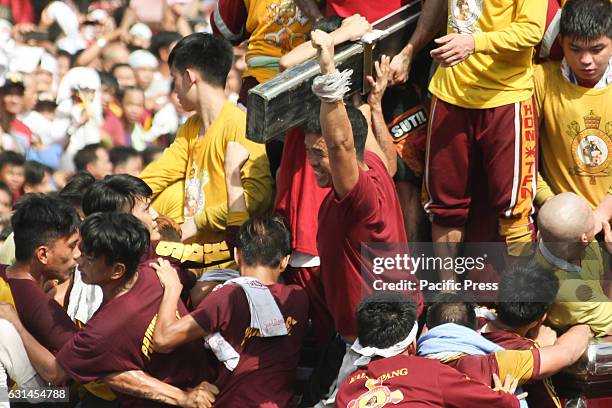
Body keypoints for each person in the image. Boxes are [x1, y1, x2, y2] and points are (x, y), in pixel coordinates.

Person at [0, 212, 219, 408]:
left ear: (116, 270)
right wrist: (172, 290)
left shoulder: (102, 330)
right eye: (80, 249)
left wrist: (16, 326)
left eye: (89, 256)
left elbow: (54, 373)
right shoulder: (156, 272)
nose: (78, 258)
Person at [407, 0, 547, 280]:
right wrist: (408, 51)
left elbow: (532, 30)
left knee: (514, 209)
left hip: (506, 96)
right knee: (444, 206)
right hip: (450, 94)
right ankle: (448, 294)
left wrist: (473, 43)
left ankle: (520, 306)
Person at [306, 29, 422, 341]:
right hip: (389, 322)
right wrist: (373, 101)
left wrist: (329, 70)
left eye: (319, 153)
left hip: (377, 339)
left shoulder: (360, 197)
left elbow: (342, 142)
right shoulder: (377, 167)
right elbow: (369, 143)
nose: (311, 162)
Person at [139, 32, 273, 246]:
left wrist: (199, 222)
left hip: (226, 260)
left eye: (174, 78)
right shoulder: (191, 126)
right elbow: (160, 173)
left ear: (189, 77)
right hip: (191, 254)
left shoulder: (240, 125)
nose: (174, 90)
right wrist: (129, 201)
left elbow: (258, 196)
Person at [335, 291, 525, 407]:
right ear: (412, 344)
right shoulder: (430, 372)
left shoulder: (347, 387)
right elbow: (499, 404)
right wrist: (507, 397)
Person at [419, 292, 590, 402]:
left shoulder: (409, 366)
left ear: (426, 330)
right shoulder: (493, 366)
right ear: (475, 332)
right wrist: (589, 323)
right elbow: (566, 353)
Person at [535, 0, 612, 211]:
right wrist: (552, 204)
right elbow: (524, 154)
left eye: (597, 49)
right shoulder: (542, 80)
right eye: (575, 49)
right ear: (560, 42)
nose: (586, 60)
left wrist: (602, 214)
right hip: (563, 215)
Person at [482, 263, 564, 408]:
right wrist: (541, 350)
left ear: (497, 298)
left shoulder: (471, 318)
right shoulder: (530, 353)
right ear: (540, 319)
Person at [536, 192, 612, 336]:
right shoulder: (575, 293)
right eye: (591, 215)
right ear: (583, 239)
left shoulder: (553, 236)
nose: (596, 216)